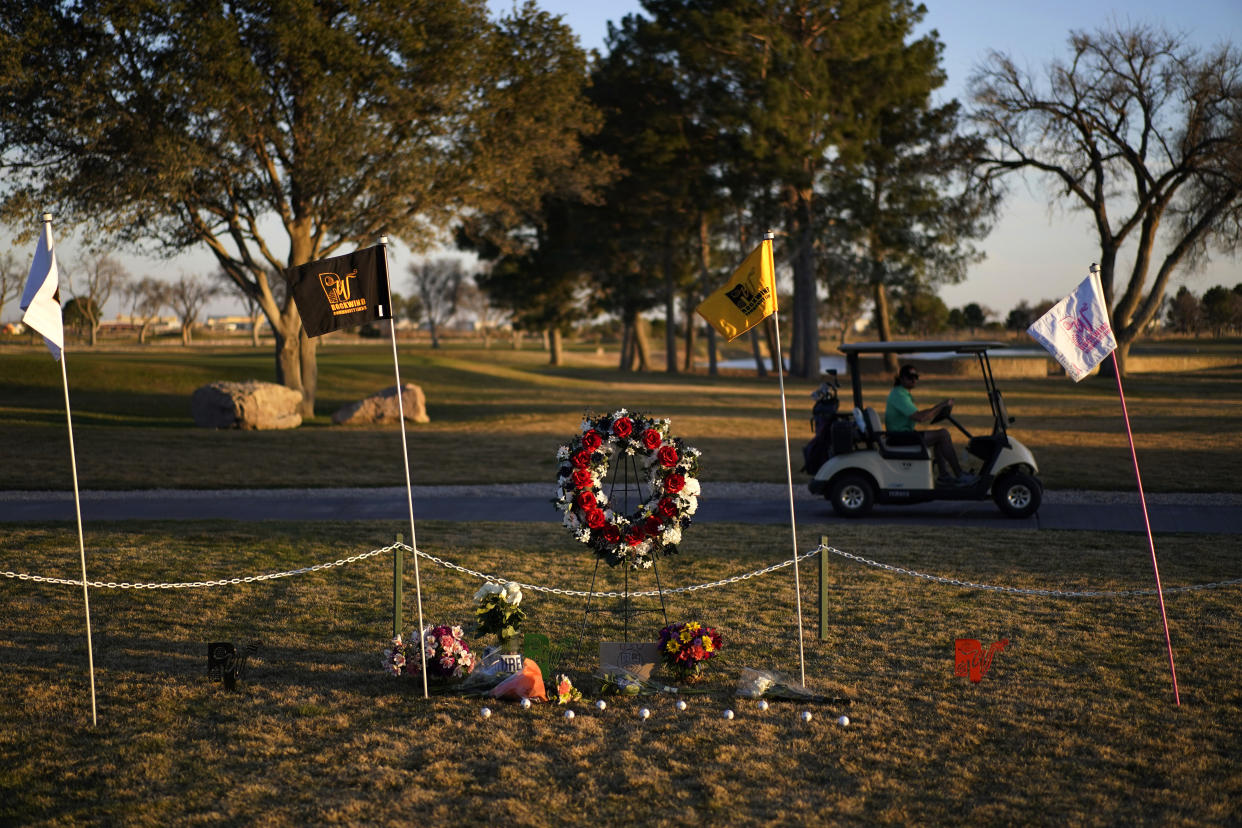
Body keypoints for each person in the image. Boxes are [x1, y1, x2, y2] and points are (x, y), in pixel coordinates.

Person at [884, 364, 975, 485]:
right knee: (943, 434)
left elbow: (921, 415)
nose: (914, 380)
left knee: (939, 438)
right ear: (901, 378)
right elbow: (920, 417)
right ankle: (959, 474)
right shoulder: (899, 395)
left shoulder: (902, 393)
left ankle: (943, 476)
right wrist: (941, 406)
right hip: (899, 437)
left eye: (916, 377)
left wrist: (939, 408)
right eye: (910, 377)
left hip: (904, 435)